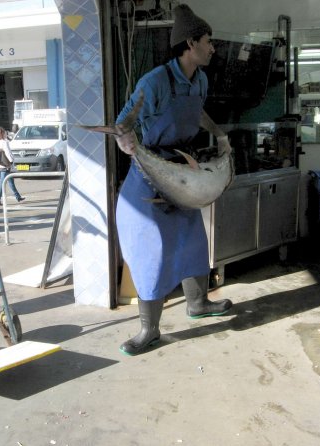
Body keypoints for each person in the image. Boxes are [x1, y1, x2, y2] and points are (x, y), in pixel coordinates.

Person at [114, 4, 234, 356]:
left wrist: (218, 133)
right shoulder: (154, 82)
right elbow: (124, 122)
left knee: (192, 240)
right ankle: (148, 329)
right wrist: (125, 141)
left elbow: (198, 114)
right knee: (152, 249)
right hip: (150, 175)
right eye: (208, 42)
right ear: (190, 42)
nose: (212, 48)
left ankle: (197, 304)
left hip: (183, 170)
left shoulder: (201, 79)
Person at [0, 127, 25, 206]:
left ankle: (18, 196)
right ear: (2, 134)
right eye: (4, 132)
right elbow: (7, 153)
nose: (6, 134)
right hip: (5, 165)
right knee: (2, 184)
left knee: (11, 181)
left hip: (0, 165)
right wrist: (11, 161)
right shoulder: (4, 142)